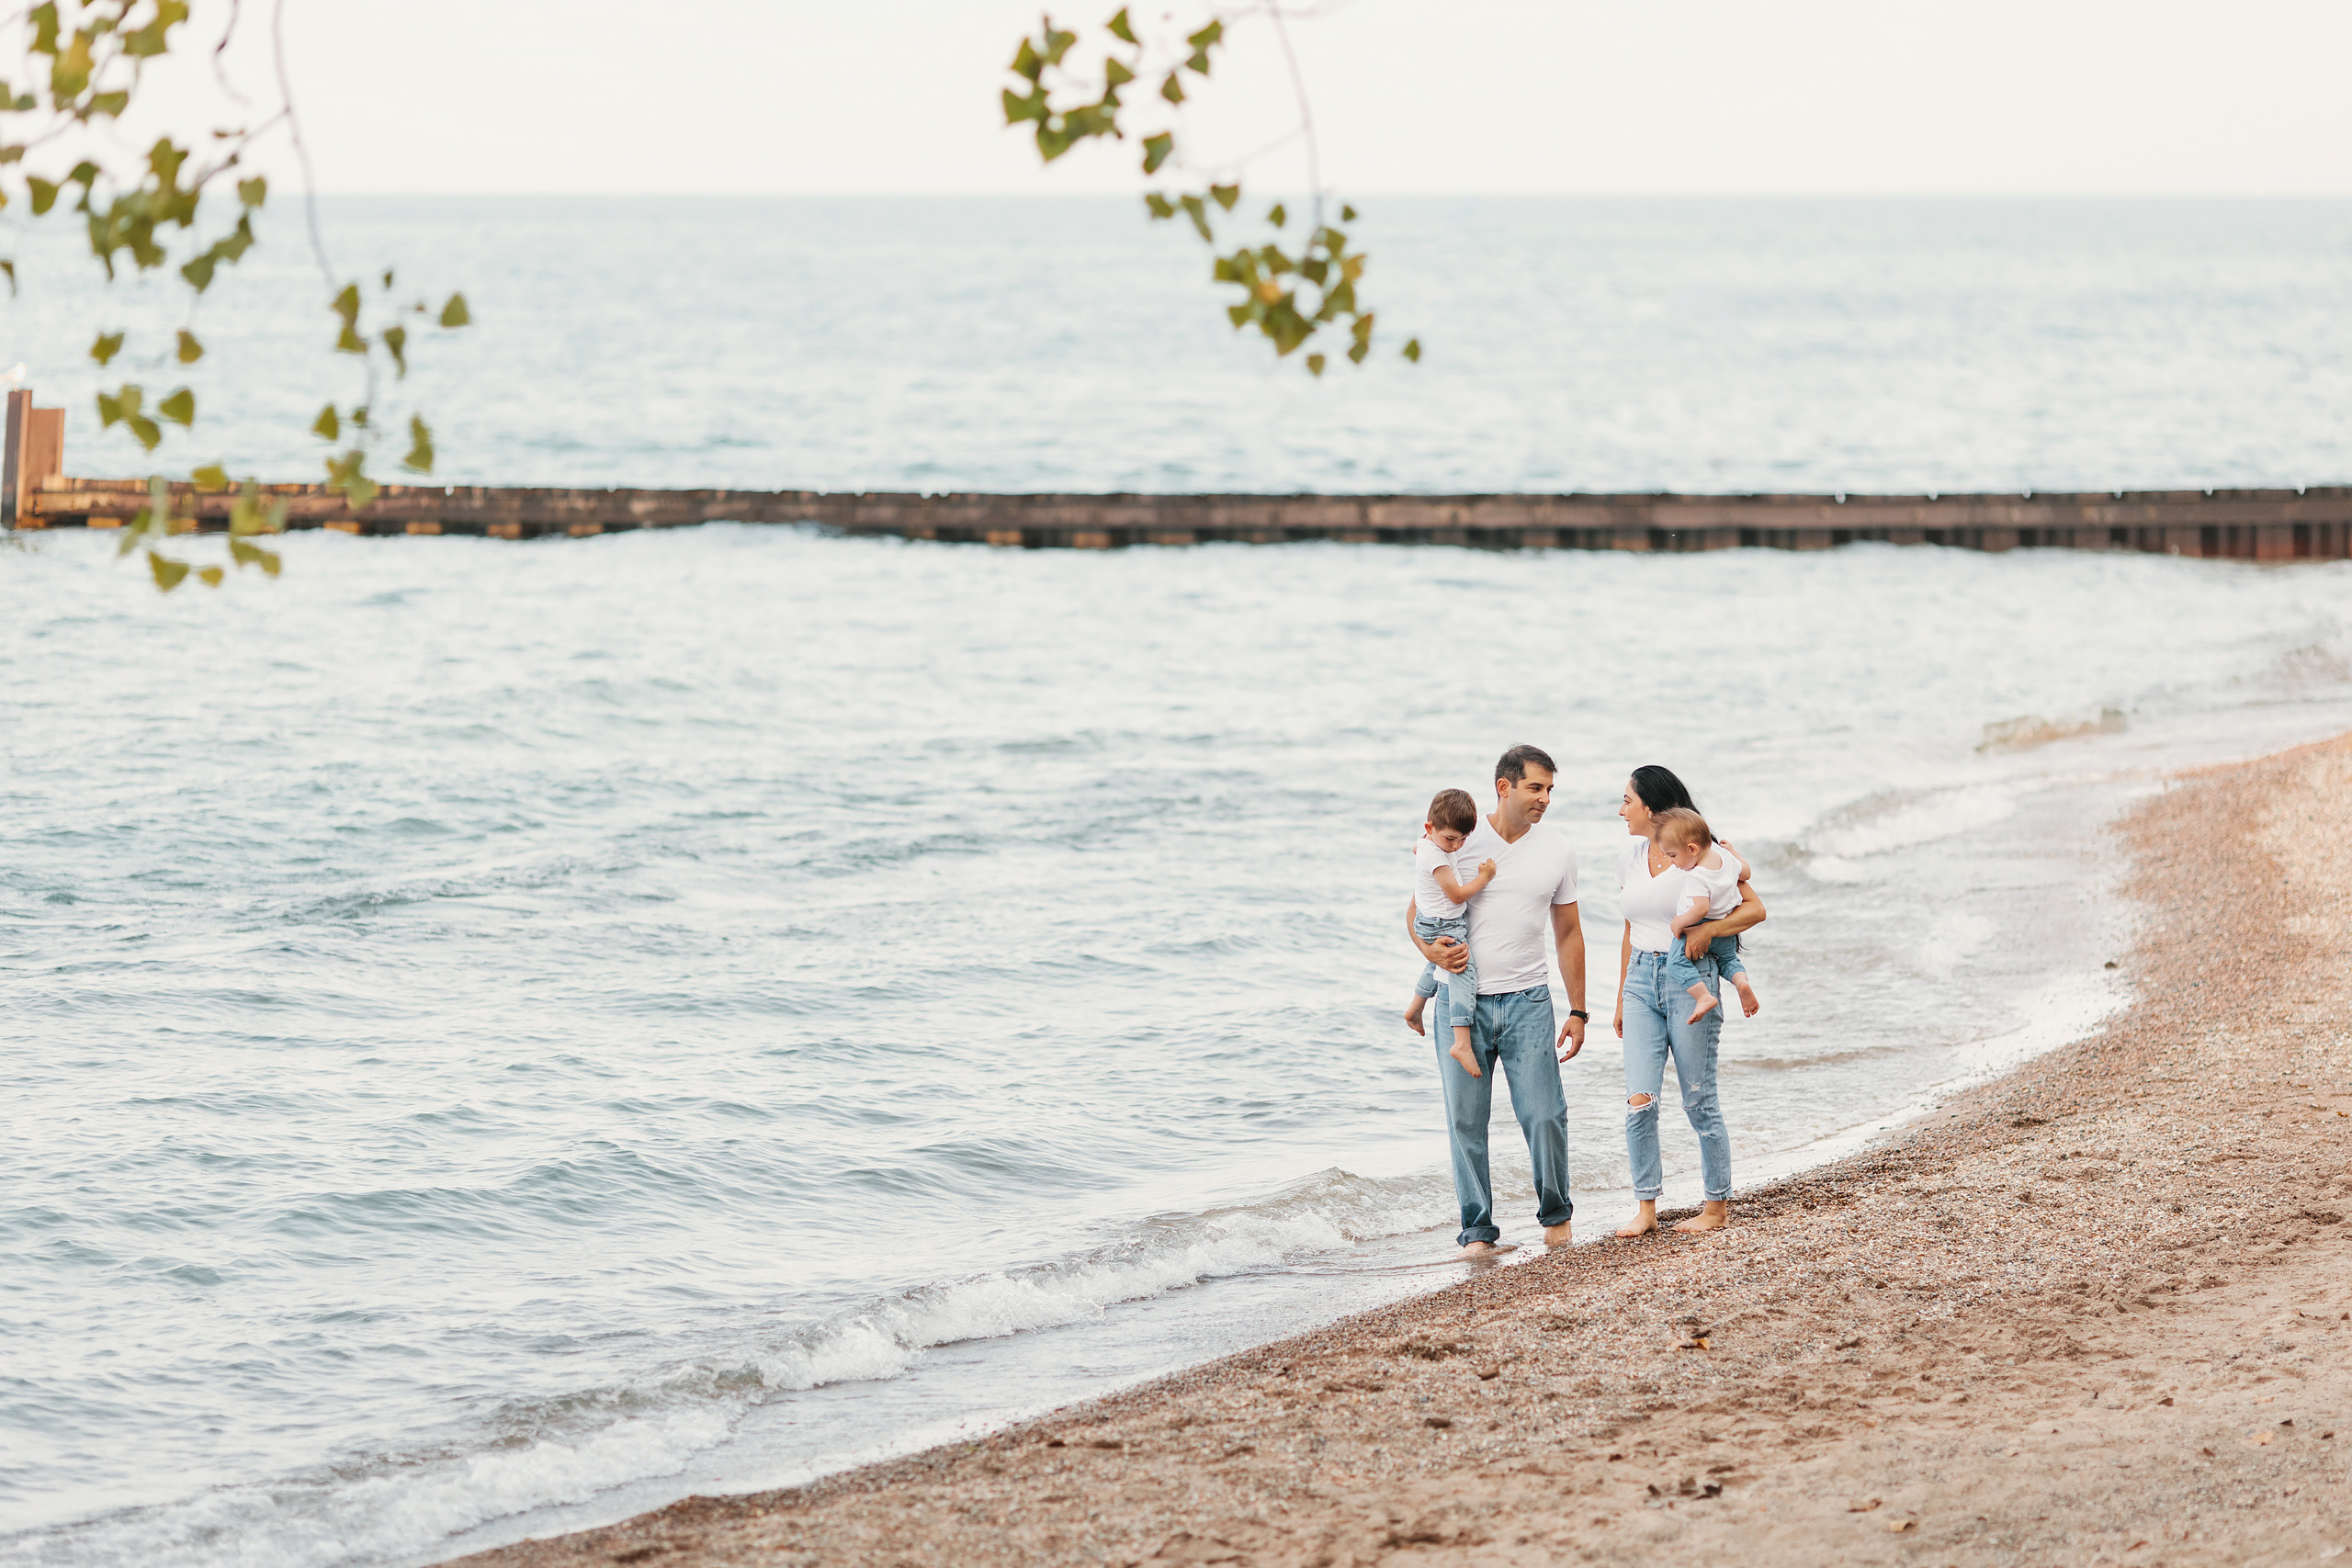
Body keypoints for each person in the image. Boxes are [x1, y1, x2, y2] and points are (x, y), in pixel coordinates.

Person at [1406, 745, 1588, 1258]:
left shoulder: (1557, 850)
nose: (1545, 799)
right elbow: (1417, 913)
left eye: (1550, 789)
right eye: (1536, 788)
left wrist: (1577, 1009)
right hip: (1460, 1005)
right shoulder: (1458, 838)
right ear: (1503, 787)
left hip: (1530, 1000)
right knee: (1466, 1122)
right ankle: (1478, 1234)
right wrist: (1430, 952)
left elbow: (1569, 931)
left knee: (1545, 1113)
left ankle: (1557, 1219)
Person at [1612, 766, 1766, 1238]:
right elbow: (1628, 928)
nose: (1621, 811)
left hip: (1690, 979)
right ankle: (1646, 1209)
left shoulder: (1701, 853)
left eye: (1627, 801)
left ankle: (1715, 1207)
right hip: (1640, 979)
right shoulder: (1630, 857)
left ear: (1652, 808)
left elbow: (1755, 909)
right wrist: (1620, 996)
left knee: (1699, 1099)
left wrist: (1707, 930)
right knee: (1640, 1099)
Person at [1403, 787, 1498, 1079]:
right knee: (1462, 971)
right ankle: (1461, 1042)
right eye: (1450, 839)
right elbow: (1456, 895)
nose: (1456, 847)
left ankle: (1415, 1008)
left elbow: (1416, 847)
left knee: (1435, 961)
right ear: (1429, 828)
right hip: (1443, 924)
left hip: (1429, 922)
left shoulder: (1426, 845)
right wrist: (1484, 878)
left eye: (1463, 839)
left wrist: (1433, 844)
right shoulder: (1439, 860)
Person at [1653, 807, 1760, 1023]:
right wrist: (1734, 852)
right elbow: (1746, 872)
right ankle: (1741, 982)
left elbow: (1701, 908)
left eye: (1673, 856)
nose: (1672, 862)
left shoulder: (1697, 876)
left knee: (1676, 964)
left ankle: (1703, 997)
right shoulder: (1724, 857)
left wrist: (1679, 923)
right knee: (1729, 960)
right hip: (1725, 925)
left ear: (1692, 849)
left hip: (1698, 926)